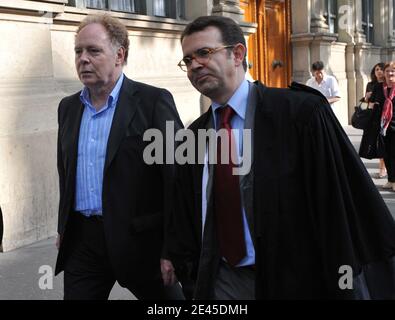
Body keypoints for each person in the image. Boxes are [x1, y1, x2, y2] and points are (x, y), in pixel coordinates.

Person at [169, 15, 395, 300]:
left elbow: (338, 208)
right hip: (222, 282)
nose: (194, 65)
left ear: (237, 53)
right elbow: (187, 212)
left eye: (204, 52)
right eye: (187, 60)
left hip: (294, 281)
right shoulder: (196, 135)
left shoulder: (300, 114)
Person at [55, 14, 184, 300]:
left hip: (140, 241)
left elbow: (174, 179)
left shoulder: (153, 102)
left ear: (119, 55)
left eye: (93, 50)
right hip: (84, 243)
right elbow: (65, 171)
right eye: (78, 51)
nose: (83, 59)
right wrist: (64, 227)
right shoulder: (68, 108)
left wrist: (171, 248)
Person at [370, 61, 395, 192]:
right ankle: (390, 180)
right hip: (383, 127)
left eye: (392, 71)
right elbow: (372, 103)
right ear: (384, 74)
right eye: (387, 71)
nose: (390, 73)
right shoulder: (379, 88)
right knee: (386, 154)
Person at [359, 62, 387, 178]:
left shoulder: (388, 84)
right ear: (374, 73)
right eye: (376, 69)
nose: (379, 71)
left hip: (385, 117)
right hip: (374, 118)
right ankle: (383, 168)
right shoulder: (370, 85)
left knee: (384, 143)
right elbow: (367, 103)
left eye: (381, 69)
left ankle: (383, 169)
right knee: (376, 144)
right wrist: (366, 98)